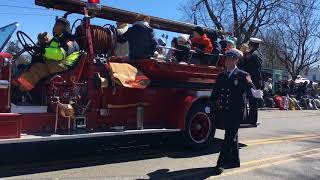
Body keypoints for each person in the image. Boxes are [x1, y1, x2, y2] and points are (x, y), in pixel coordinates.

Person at [206, 48, 263, 175]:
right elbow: (215, 92)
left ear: (236, 60)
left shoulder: (243, 75)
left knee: (228, 137)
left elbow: (250, 88)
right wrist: (209, 104)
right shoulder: (221, 75)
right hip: (225, 111)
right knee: (232, 136)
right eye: (226, 59)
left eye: (231, 59)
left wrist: (255, 93)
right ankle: (234, 161)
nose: (228, 61)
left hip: (237, 112)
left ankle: (220, 163)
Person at [16, 18, 80, 92]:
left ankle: (19, 91)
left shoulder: (69, 40)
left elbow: (60, 54)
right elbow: (48, 50)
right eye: (55, 25)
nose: (55, 27)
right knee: (29, 66)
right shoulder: (58, 39)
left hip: (62, 67)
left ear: (63, 27)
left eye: (57, 25)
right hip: (54, 65)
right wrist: (36, 50)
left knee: (36, 69)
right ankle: (19, 86)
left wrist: (43, 50)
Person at [241, 37, 264, 124]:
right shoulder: (259, 54)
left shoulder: (252, 54)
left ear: (251, 45)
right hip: (256, 79)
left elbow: (248, 67)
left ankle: (251, 119)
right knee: (253, 101)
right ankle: (251, 119)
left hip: (251, 79)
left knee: (251, 100)